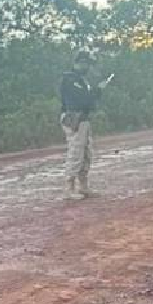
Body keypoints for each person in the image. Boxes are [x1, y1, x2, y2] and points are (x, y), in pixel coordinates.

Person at [59, 51, 109, 199]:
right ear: (77, 63)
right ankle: (69, 188)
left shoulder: (81, 80)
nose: (86, 66)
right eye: (84, 63)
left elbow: (88, 101)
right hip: (74, 118)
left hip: (83, 119)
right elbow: (83, 100)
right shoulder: (70, 79)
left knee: (86, 153)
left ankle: (83, 186)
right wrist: (98, 90)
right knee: (75, 153)